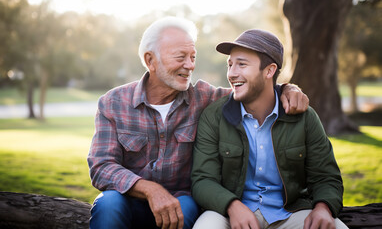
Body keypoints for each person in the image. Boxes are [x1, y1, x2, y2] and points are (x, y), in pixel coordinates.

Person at [87, 17, 309, 229]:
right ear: (150, 60)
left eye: (193, 57)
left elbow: (255, 89)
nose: (190, 65)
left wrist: (288, 89)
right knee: (108, 203)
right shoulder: (113, 103)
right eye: (180, 57)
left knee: (184, 209)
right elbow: (101, 166)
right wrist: (150, 190)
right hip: (128, 199)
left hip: (182, 201)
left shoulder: (204, 98)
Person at [191, 29, 348, 229]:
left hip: (290, 212)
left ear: (269, 71)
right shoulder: (214, 116)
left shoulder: (305, 117)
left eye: (242, 64)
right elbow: (203, 180)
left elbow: (326, 176)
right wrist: (232, 205)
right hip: (230, 212)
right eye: (230, 65)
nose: (232, 73)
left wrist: (324, 207)